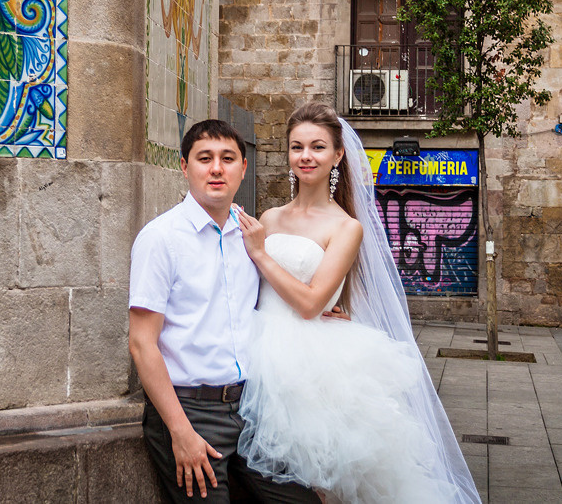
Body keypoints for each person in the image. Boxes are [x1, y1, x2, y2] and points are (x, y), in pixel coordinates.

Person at [232, 102, 480, 504]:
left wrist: (261, 255)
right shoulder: (271, 218)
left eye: (317, 147)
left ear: (338, 154)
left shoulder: (346, 227)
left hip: (308, 364)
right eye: (297, 147)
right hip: (257, 347)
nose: (305, 157)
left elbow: (311, 303)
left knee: (319, 484)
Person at [128, 119, 322, 503]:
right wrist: (181, 433)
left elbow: (270, 300)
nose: (217, 168)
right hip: (191, 410)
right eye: (205, 158)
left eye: (228, 158)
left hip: (252, 406)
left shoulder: (250, 235)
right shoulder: (160, 238)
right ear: (185, 167)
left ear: (243, 168)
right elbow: (141, 344)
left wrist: (328, 314)